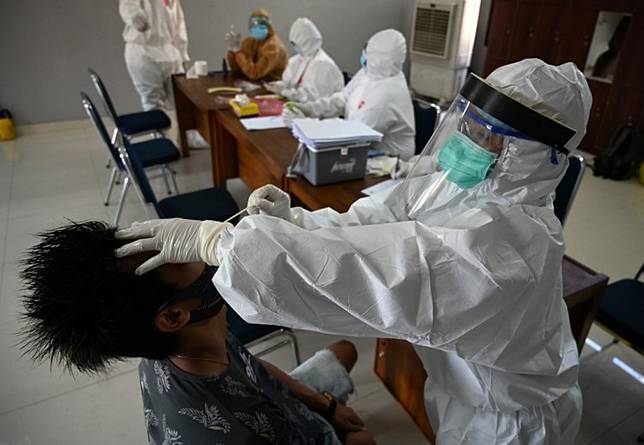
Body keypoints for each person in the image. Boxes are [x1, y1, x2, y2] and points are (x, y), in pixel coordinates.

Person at [114, 58, 593, 444]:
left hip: (510, 425)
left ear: (534, 156)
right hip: (466, 386)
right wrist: (289, 223)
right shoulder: (468, 190)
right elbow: (381, 220)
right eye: (468, 123)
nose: (467, 140)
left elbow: (374, 271)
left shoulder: (505, 247)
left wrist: (223, 244)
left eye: (487, 135)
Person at [19, 221, 376, 445]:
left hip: (281, 408)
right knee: (362, 439)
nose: (197, 246)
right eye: (181, 255)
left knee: (344, 349)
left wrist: (326, 405)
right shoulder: (234, 434)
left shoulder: (186, 339)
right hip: (282, 429)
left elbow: (253, 369)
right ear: (174, 315)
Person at [283, 29, 415, 160]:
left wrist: (306, 125)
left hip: (385, 160)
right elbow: (342, 98)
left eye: (368, 54)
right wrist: (311, 109)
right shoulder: (369, 73)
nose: (363, 57)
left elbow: (355, 136)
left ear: (377, 61)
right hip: (359, 148)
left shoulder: (386, 94)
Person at [119, 0, 190, 111]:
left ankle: (178, 122)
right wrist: (134, 16)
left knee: (180, 99)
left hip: (170, 52)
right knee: (153, 103)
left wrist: (183, 55)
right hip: (144, 52)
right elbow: (127, 4)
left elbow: (179, 27)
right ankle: (156, 122)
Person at [265, 18, 344, 103]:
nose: (294, 47)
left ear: (306, 42)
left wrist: (285, 92)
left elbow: (314, 99)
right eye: (293, 44)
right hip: (298, 106)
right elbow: (289, 83)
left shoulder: (323, 65)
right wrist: (278, 85)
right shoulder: (297, 60)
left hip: (318, 110)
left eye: (296, 44)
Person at [225, 8, 288, 82]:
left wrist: (238, 52)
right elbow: (237, 69)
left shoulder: (273, 46)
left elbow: (254, 73)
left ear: (269, 26)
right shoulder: (253, 41)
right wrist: (232, 50)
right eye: (254, 24)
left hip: (271, 85)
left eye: (262, 24)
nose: (257, 27)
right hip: (255, 83)